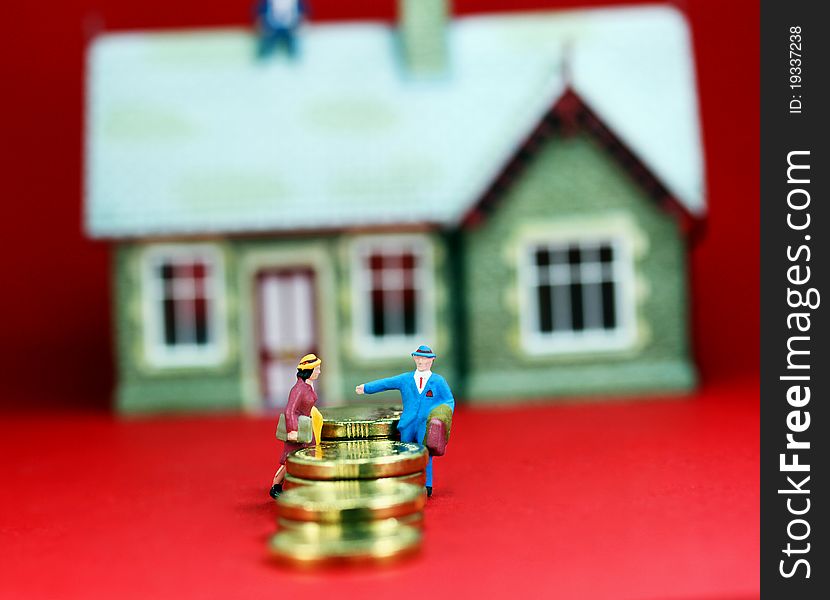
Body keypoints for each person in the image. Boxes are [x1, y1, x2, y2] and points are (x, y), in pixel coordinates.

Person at [356, 345, 454, 497]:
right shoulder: (405, 379)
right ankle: (406, 482)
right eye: (418, 358)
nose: (421, 361)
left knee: (426, 454)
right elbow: (386, 383)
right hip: (407, 424)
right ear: (414, 359)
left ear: (432, 360)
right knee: (405, 453)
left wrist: (443, 416)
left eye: (425, 359)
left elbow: (449, 401)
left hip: (425, 425)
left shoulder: (438, 381)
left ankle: (427, 485)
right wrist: (367, 388)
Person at [270, 353, 321, 499]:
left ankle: (306, 485)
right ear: (309, 370)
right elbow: (289, 410)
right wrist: (293, 430)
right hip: (298, 429)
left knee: (309, 456)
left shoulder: (308, 387)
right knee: (290, 460)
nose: (319, 371)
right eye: (317, 369)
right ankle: (276, 486)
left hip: (307, 427)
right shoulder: (298, 389)